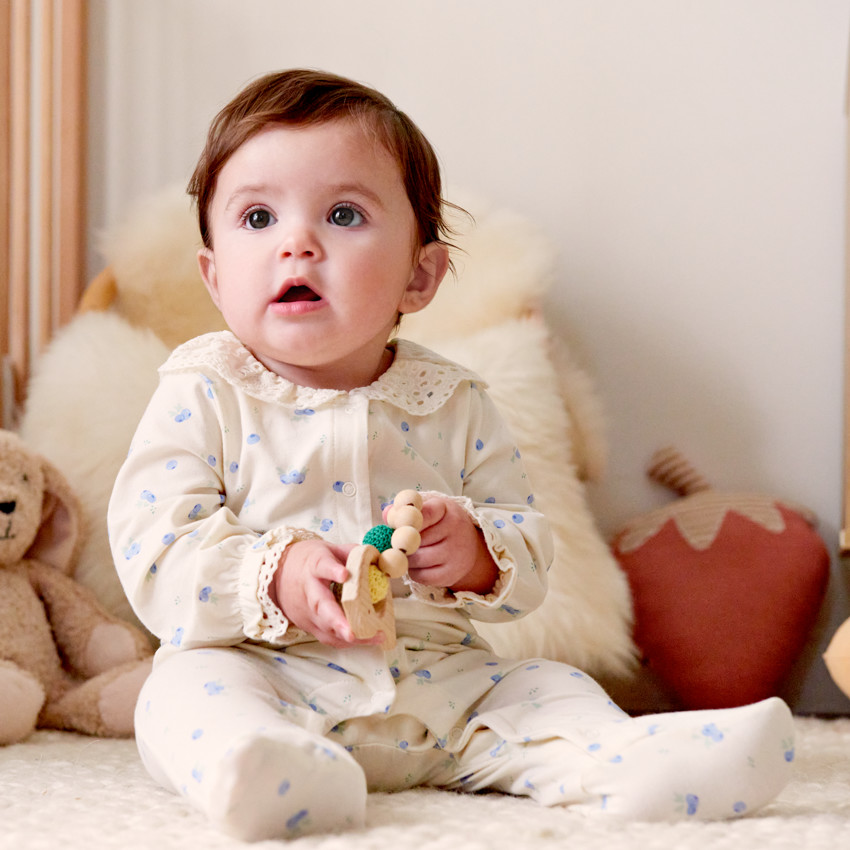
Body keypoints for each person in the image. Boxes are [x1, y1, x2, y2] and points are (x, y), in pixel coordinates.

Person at [108, 69, 794, 842]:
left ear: (420, 275)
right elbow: (155, 549)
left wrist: (475, 552)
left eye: (343, 214)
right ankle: (272, 768)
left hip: (438, 685)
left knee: (544, 685)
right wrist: (276, 573)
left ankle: (628, 761)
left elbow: (529, 549)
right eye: (258, 217)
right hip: (265, 668)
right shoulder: (204, 391)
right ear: (213, 276)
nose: (297, 243)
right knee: (181, 695)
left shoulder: (452, 400)